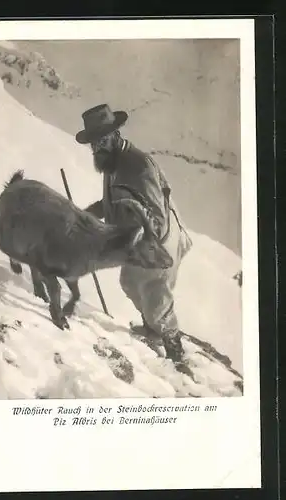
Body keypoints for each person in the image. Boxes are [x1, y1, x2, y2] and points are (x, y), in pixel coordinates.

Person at [75, 104, 192, 365]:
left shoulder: (138, 165)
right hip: (135, 240)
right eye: (93, 143)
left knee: (155, 294)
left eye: (102, 140)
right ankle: (153, 331)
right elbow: (112, 203)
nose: (97, 148)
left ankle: (175, 352)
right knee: (130, 282)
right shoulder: (112, 163)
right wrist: (83, 216)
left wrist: (132, 241)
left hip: (158, 242)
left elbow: (157, 219)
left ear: (116, 134)